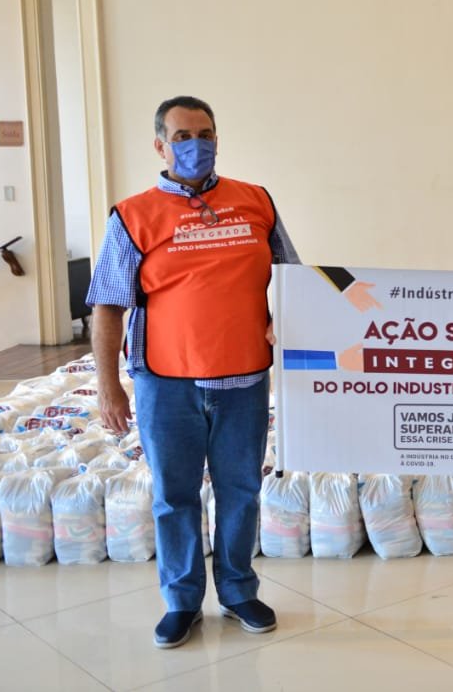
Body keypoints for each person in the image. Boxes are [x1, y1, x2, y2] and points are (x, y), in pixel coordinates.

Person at [88, 96, 299, 648]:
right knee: (174, 495)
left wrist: (285, 318)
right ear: (160, 146)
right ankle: (182, 601)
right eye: (181, 136)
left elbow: (293, 278)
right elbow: (107, 306)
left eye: (204, 134)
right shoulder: (132, 216)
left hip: (243, 379)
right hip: (166, 381)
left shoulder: (256, 202)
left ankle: (238, 591)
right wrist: (109, 387)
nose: (195, 145)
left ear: (217, 139)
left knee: (241, 490)